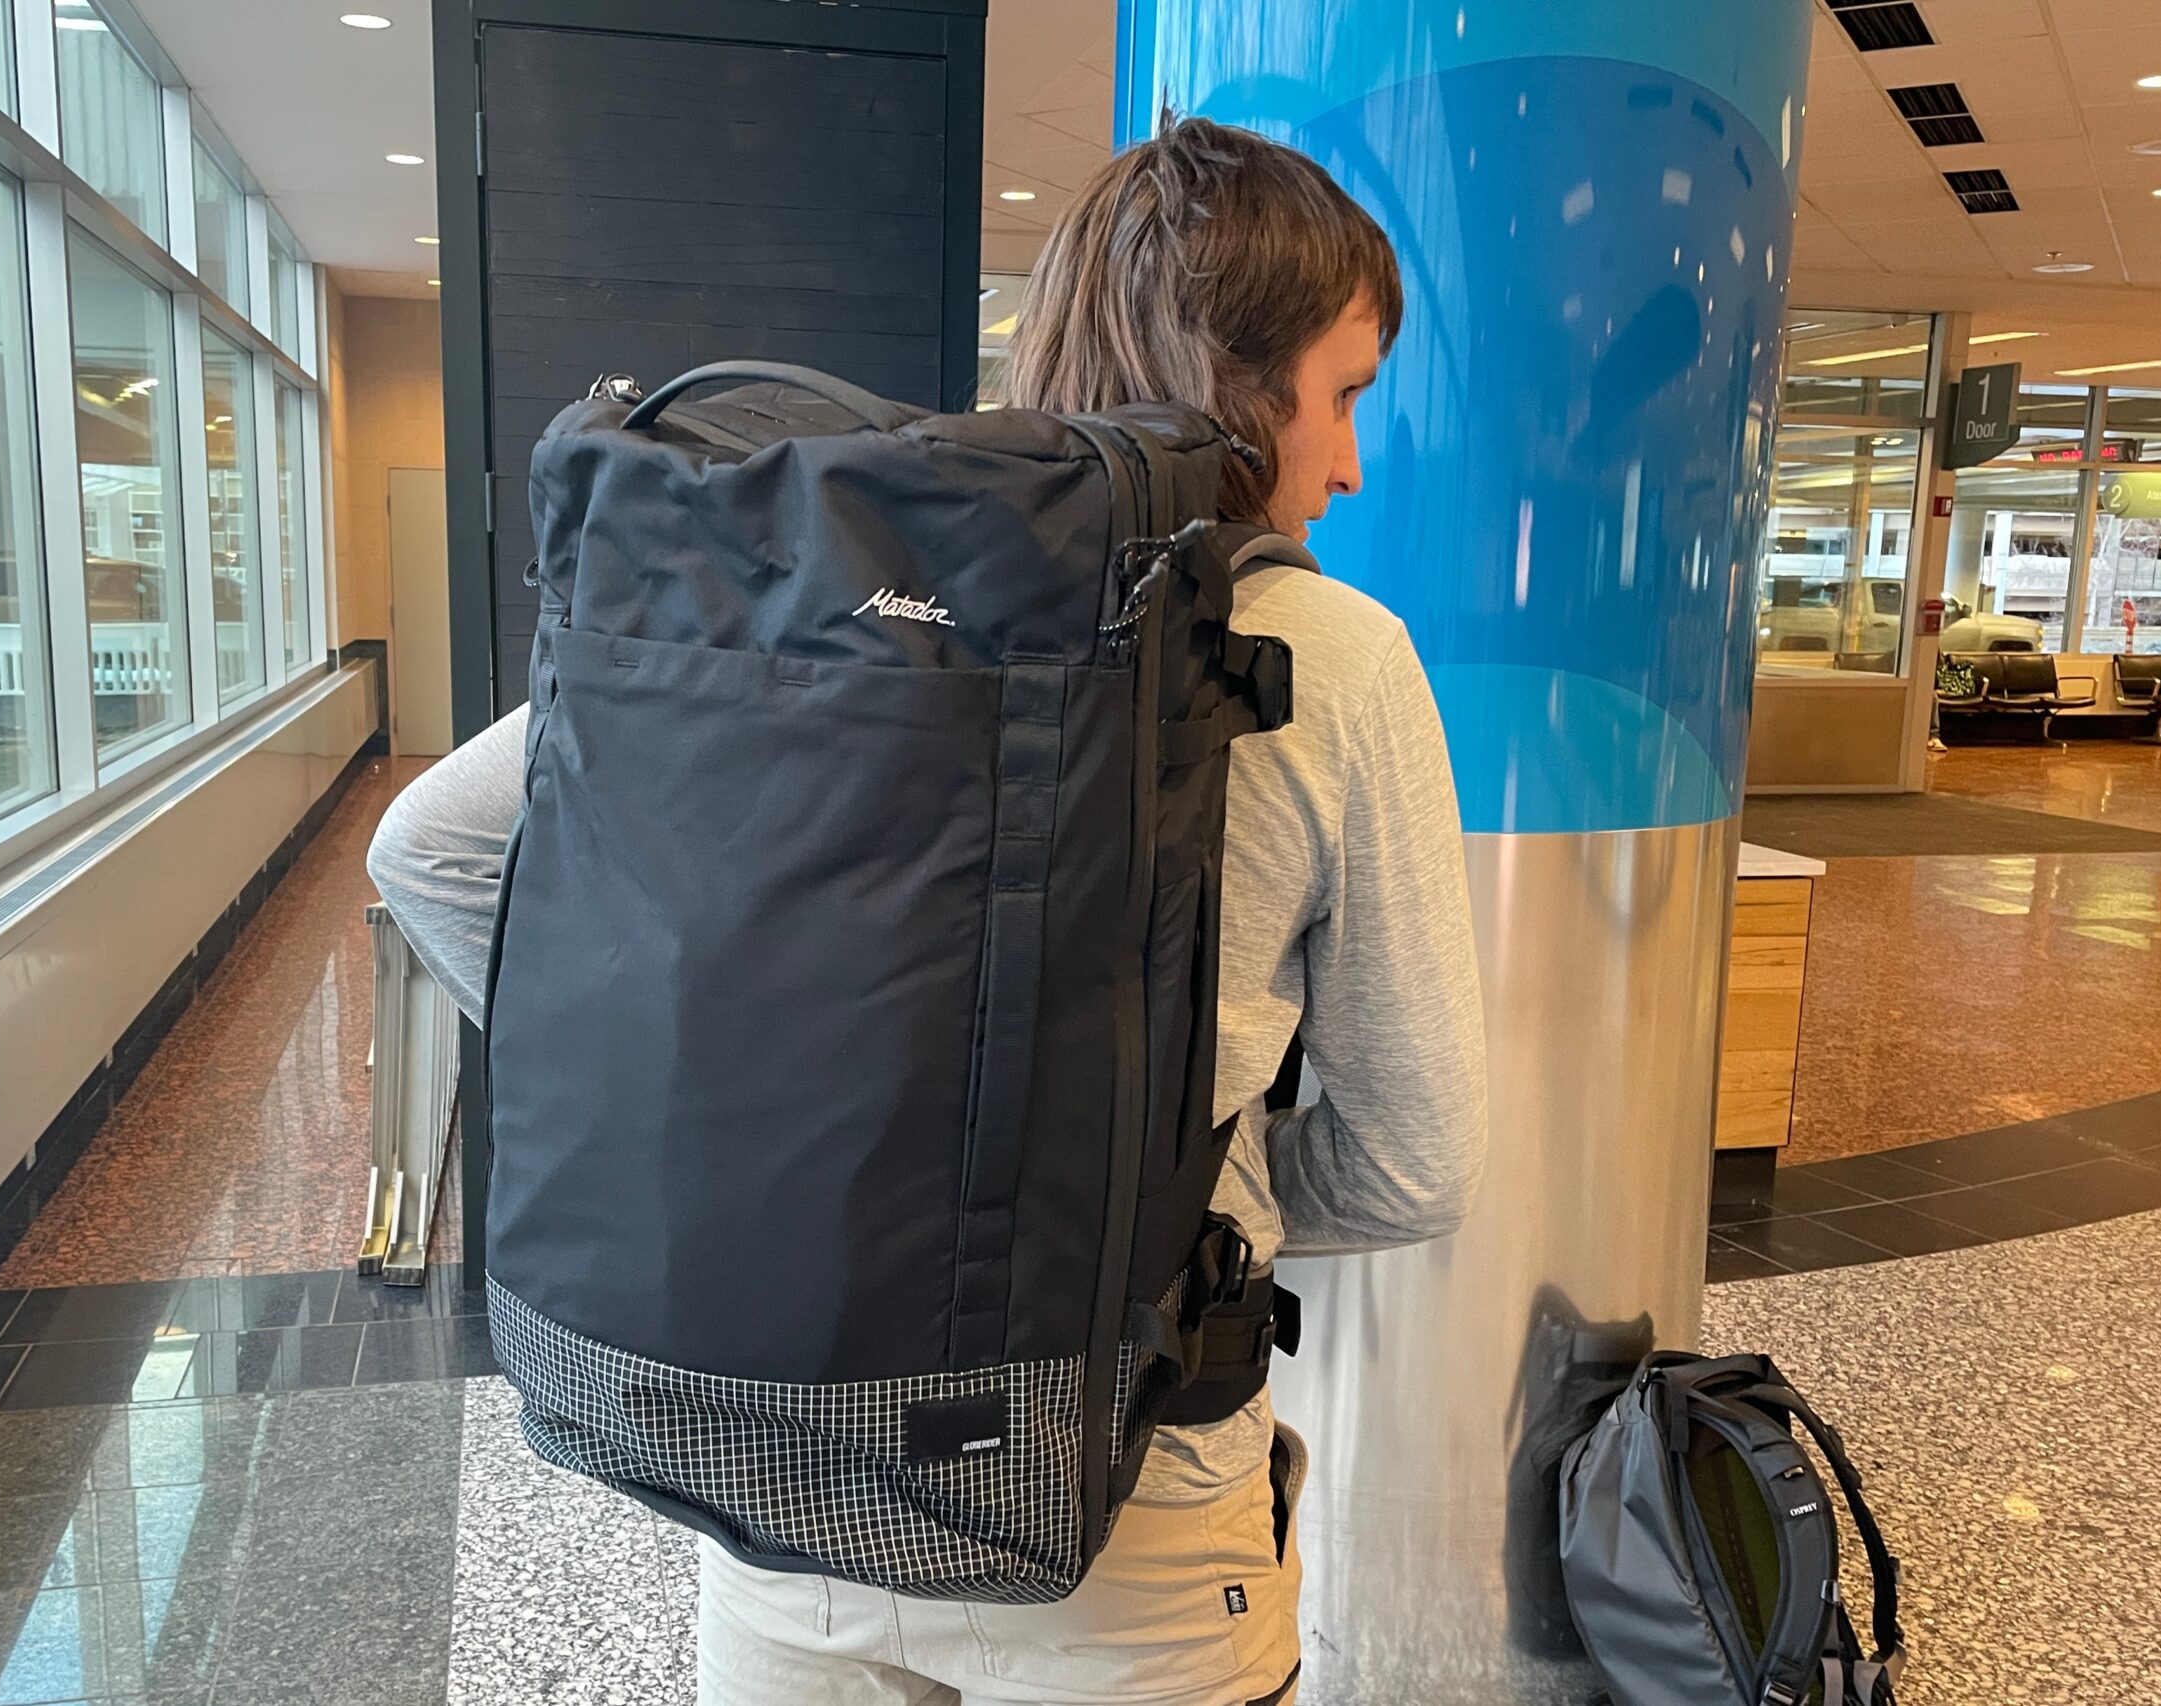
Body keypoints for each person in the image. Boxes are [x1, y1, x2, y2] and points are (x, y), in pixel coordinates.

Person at [369, 117, 1486, 1706]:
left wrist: (737, 1092)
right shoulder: (1338, 658)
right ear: (1248, 383)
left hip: (781, 1491)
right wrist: (1150, 1180)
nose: (1352, 459)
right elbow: (1415, 1157)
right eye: (1347, 391)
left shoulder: (826, 579)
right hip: (1130, 1511)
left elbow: (427, 848)